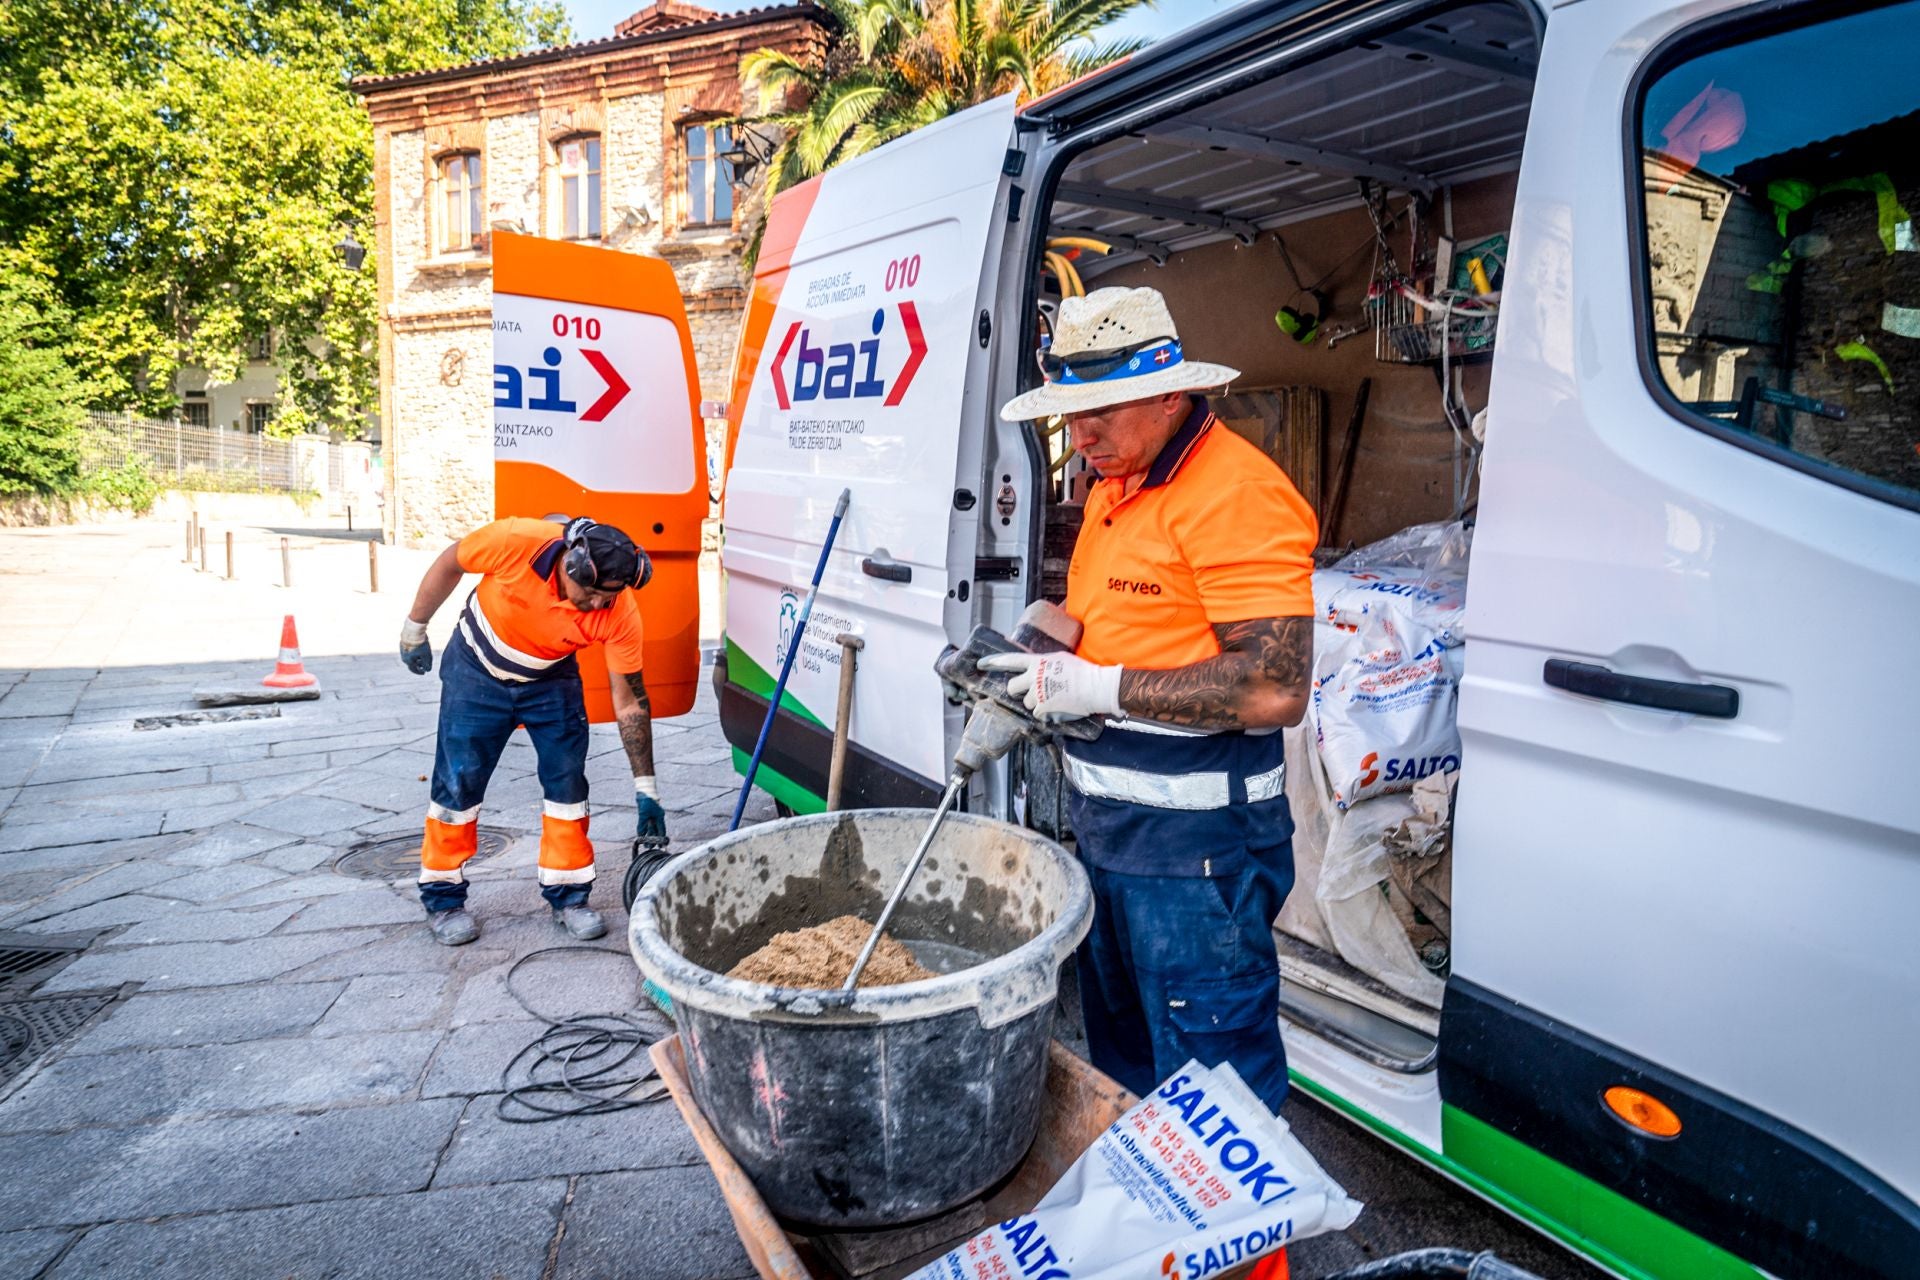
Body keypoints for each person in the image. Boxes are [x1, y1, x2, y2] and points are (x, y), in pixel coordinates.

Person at [983, 287, 1315, 1110]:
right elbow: (1128, 622)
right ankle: (1156, 1236)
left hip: (1198, 859)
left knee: (1215, 1095)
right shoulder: (1115, 485)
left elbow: (1276, 687)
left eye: (1100, 410)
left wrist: (1096, 687)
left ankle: (1241, 1244)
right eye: (1070, 413)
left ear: (1171, 394)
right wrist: (1045, 654)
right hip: (1111, 837)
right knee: (1128, 1075)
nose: (1079, 435)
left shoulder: (1236, 493)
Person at [398, 515, 669, 945]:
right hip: (476, 670)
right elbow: (452, 561)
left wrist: (646, 788)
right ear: (571, 568)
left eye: (610, 597)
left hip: (550, 677)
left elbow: (630, 701)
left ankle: (569, 897)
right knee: (458, 781)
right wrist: (416, 627)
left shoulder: (619, 610)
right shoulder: (513, 542)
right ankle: (443, 899)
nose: (602, 605)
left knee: (567, 784)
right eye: (594, 594)